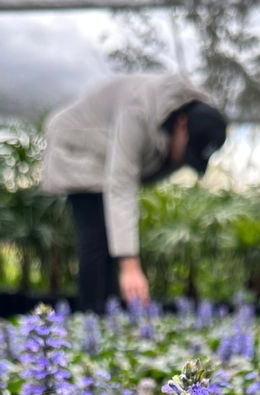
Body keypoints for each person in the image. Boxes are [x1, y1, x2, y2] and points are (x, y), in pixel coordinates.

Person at [40, 74, 227, 313]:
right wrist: (130, 266)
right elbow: (121, 184)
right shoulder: (139, 109)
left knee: (109, 243)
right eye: (188, 150)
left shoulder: (195, 115)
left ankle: (107, 319)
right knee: (96, 241)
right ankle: (91, 319)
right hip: (79, 147)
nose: (184, 160)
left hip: (106, 150)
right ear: (182, 124)